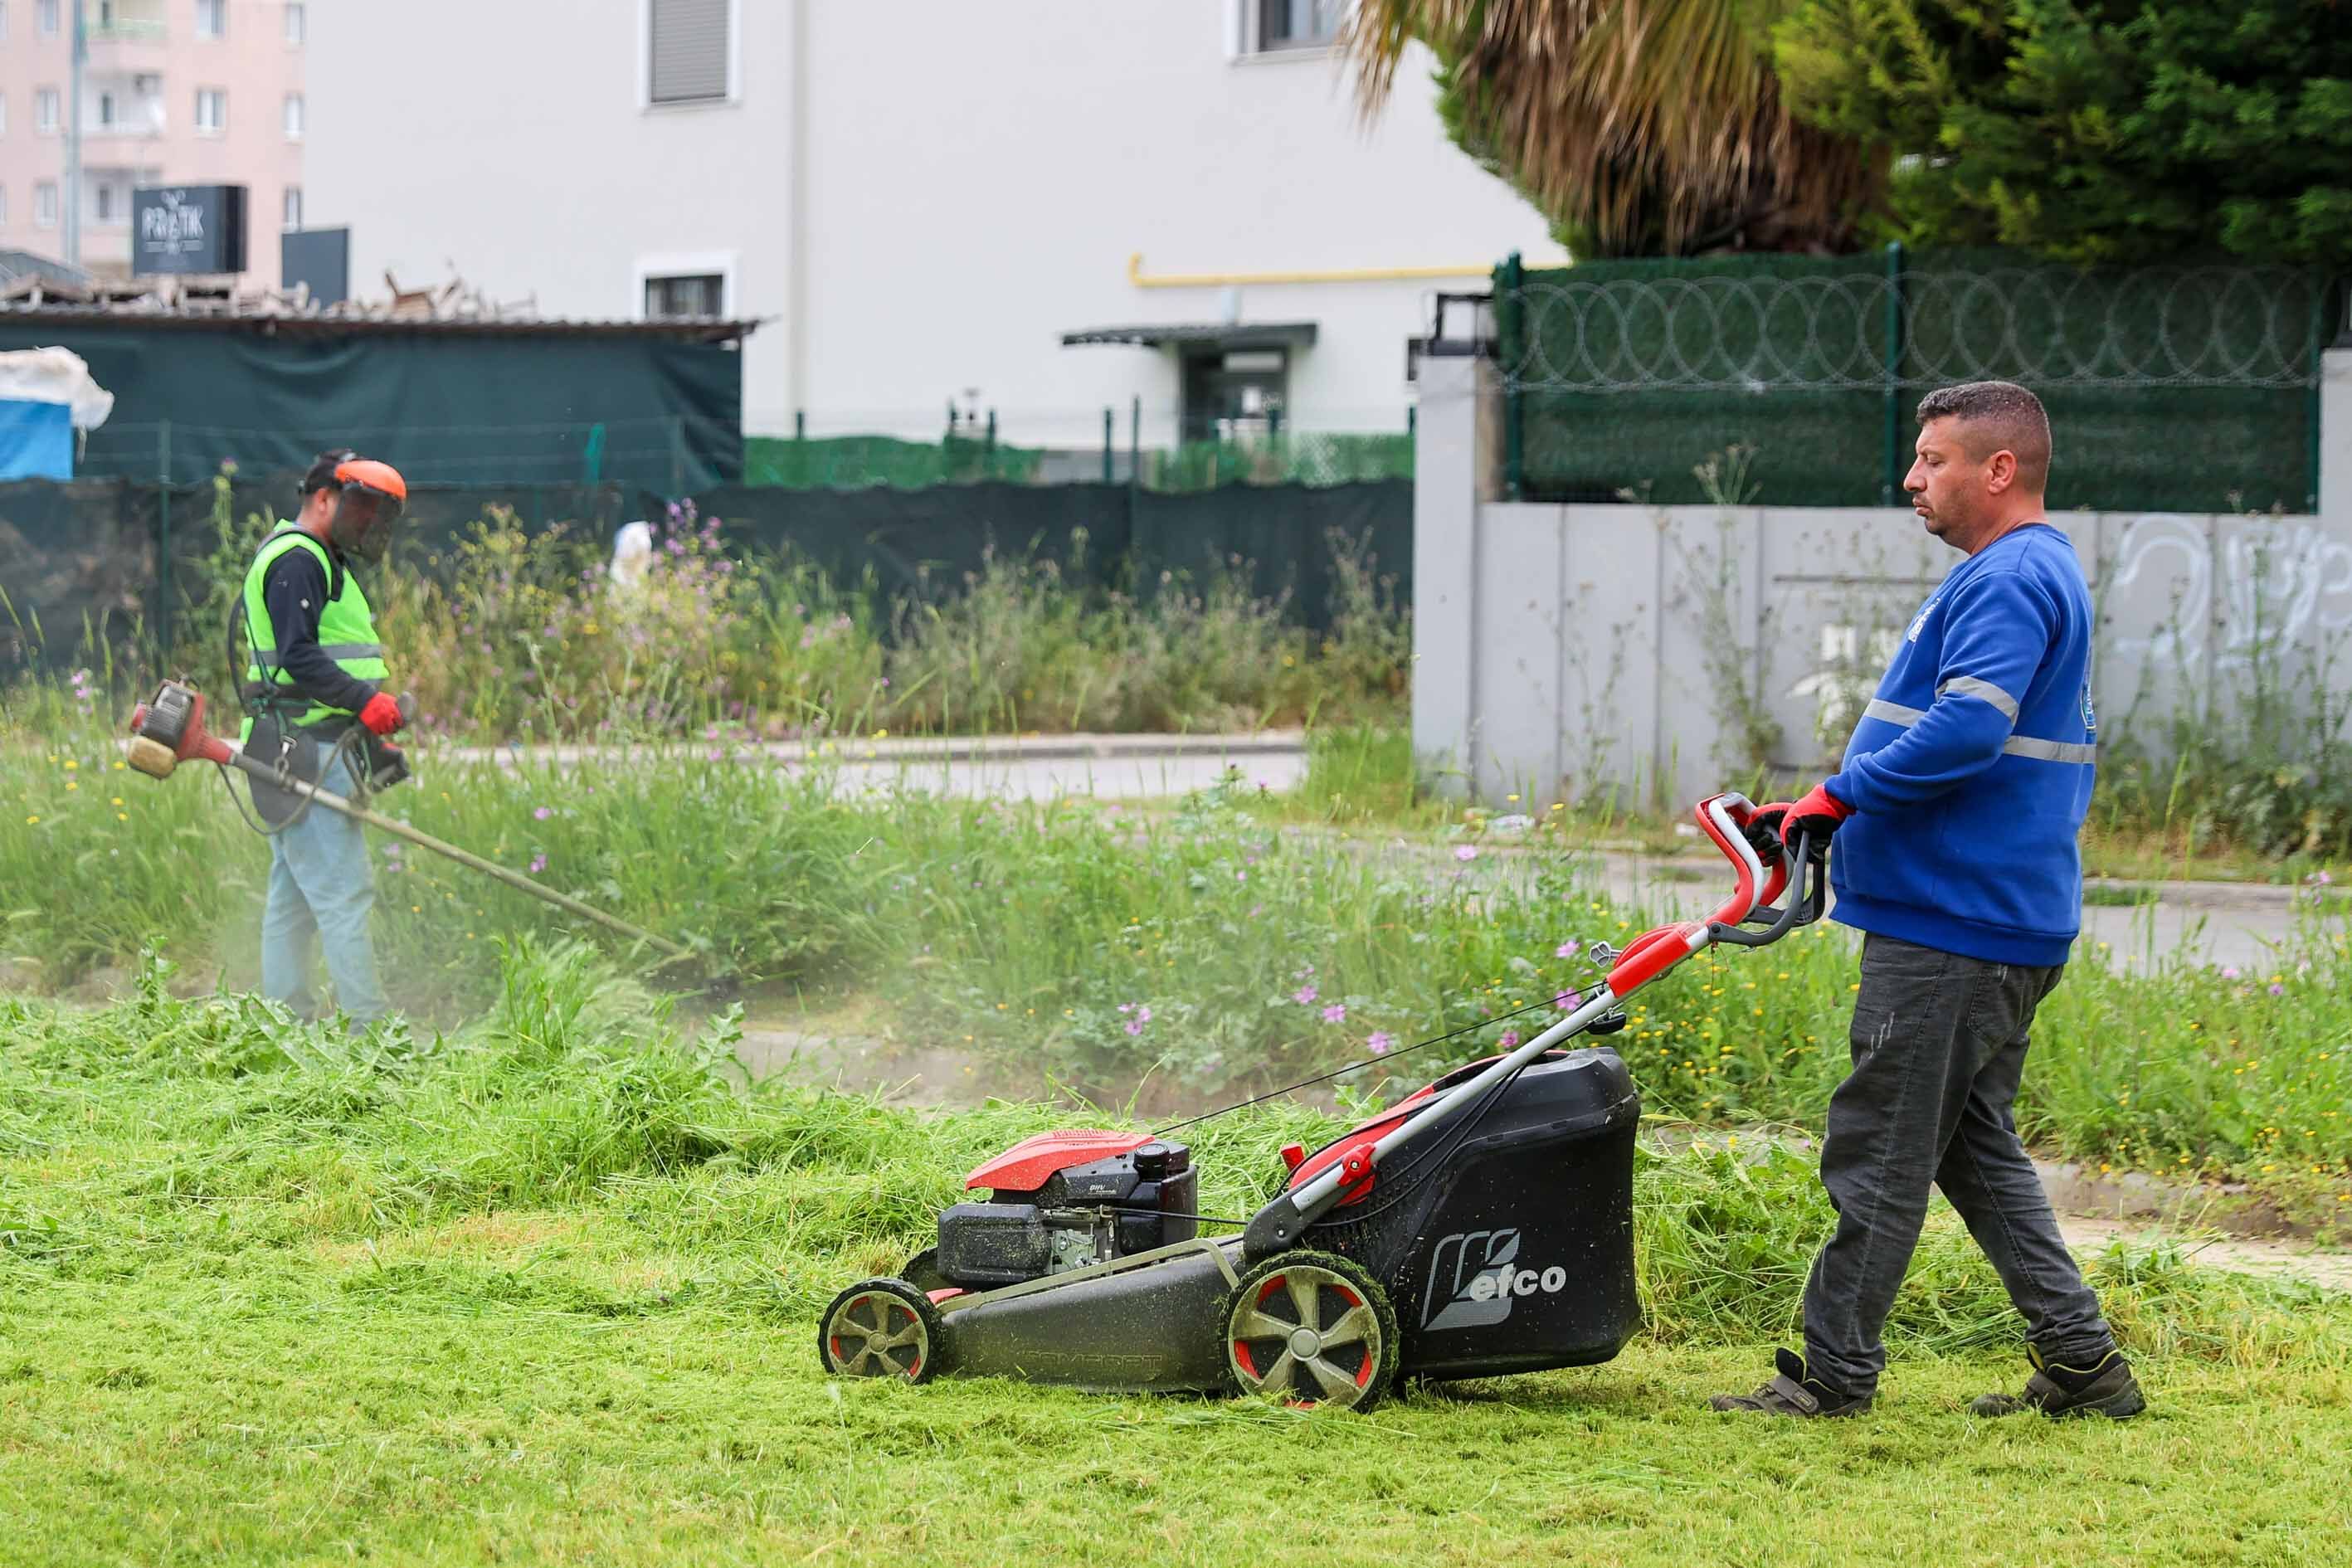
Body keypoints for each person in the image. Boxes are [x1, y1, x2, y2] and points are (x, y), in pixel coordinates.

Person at [1712, 382, 2143, 1421]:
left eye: (1934, 460)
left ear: (1998, 469)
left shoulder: (2006, 579)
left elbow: (1967, 730)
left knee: (1881, 1148)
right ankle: (2085, 1368)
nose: (1912, 479)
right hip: (1998, 916)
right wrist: (1822, 811)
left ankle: (1831, 1378)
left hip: (1955, 925)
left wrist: (1840, 792)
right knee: (1964, 1144)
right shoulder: (2032, 571)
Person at [237, 449, 410, 1028]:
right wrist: (368, 701)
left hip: (300, 745)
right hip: (302, 750)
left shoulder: (316, 558)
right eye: (361, 511)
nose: (369, 526)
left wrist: (368, 734)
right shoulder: (298, 560)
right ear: (322, 499)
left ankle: (287, 1026)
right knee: (342, 895)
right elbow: (299, 657)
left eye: (376, 517)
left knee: (292, 900)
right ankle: (372, 1032)